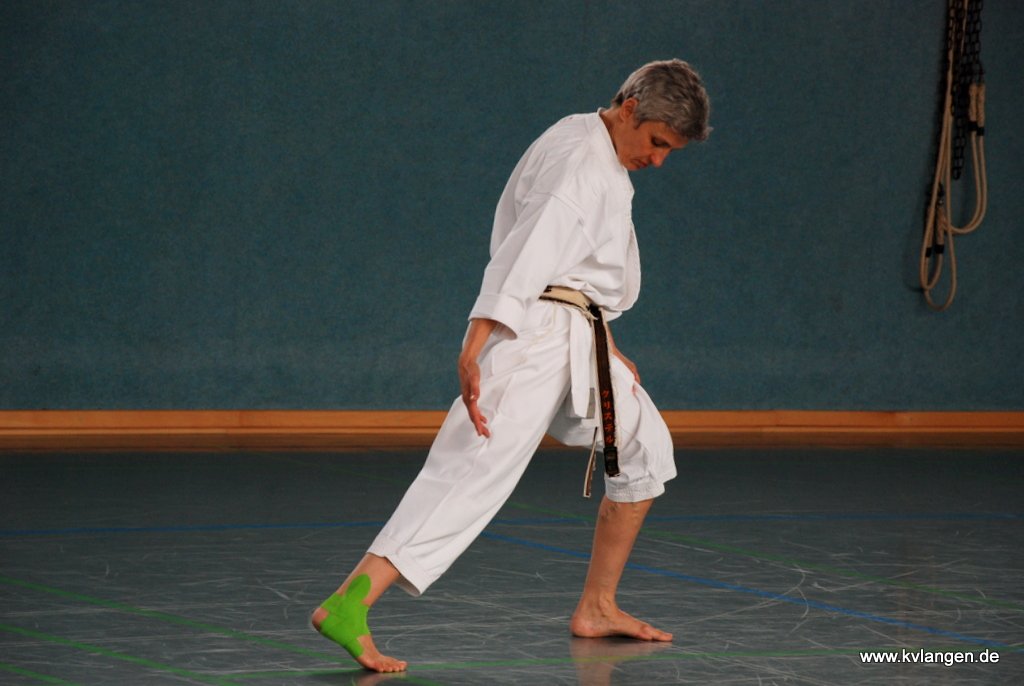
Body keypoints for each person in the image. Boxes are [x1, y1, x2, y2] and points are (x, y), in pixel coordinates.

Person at [311, 58, 711, 673]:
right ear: (630, 108)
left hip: (572, 333)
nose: (658, 160)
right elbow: (524, 259)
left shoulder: (587, 139)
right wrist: (475, 344)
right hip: (534, 335)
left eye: (669, 152)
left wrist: (603, 341)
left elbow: (573, 269)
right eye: (657, 142)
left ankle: (597, 606)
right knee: (473, 467)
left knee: (644, 449)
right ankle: (349, 602)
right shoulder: (580, 166)